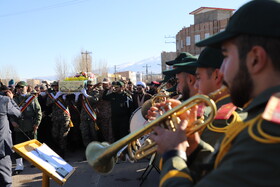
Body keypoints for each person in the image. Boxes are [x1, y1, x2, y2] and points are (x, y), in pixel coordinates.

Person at [151, 0, 280, 186]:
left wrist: (173, 153)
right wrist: (194, 148)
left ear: (255, 59)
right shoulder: (264, 121)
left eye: (226, 57)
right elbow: (228, 174)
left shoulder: (266, 133)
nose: (223, 71)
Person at [10, 81, 42, 175]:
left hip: (30, 125)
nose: (20, 89)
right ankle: (19, 165)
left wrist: (37, 124)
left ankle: (33, 161)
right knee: (18, 146)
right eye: (18, 87)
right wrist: (13, 122)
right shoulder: (15, 99)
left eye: (22, 87)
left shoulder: (32, 98)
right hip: (19, 126)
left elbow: (38, 112)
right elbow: (11, 112)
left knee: (32, 145)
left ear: (26, 87)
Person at [0, 85, 21, 186]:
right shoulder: (4, 100)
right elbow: (18, 113)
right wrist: (11, 99)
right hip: (1, 148)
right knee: (5, 180)